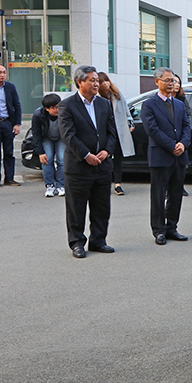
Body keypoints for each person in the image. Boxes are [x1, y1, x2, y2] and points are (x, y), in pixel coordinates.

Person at [58, 66, 118, 259]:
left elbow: (111, 132)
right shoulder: (67, 105)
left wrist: (106, 151)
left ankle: (98, 240)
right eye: (91, 80)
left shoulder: (104, 104)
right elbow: (68, 135)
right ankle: (77, 243)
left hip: (102, 164)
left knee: (102, 207)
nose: (96, 83)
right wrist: (85, 154)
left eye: (96, 80)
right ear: (80, 82)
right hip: (78, 167)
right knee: (76, 208)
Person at [141, 67, 191, 245]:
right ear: (157, 82)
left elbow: (186, 126)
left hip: (179, 156)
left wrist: (183, 144)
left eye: (173, 81)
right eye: (168, 80)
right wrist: (172, 146)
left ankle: (172, 227)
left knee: (176, 194)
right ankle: (158, 230)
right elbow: (152, 130)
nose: (171, 84)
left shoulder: (178, 103)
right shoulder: (149, 104)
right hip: (161, 156)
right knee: (158, 194)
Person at [98, 72, 135, 196]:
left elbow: (126, 110)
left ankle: (118, 184)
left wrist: (130, 124)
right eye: (102, 82)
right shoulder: (97, 98)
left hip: (118, 130)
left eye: (107, 81)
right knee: (105, 157)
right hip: (104, 131)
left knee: (118, 158)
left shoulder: (116, 95)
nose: (106, 84)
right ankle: (104, 183)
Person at [0, 65, 22, 188]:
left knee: (9, 152)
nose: (2, 75)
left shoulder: (10, 87)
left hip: (8, 122)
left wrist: (17, 124)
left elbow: (17, 106)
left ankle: (9, 178)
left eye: (4, 72)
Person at [30, 93, 65, 198]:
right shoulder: (38, 115)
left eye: (58, 106)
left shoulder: (65, 112)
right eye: (54, 108)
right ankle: (49, 185)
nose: (57, 110)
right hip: (46, 137)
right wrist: (40, 152)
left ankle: (61, 185)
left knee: (62, 160)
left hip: (61, 138)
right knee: (46, 159)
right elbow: (36, 134)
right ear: (47, 109)